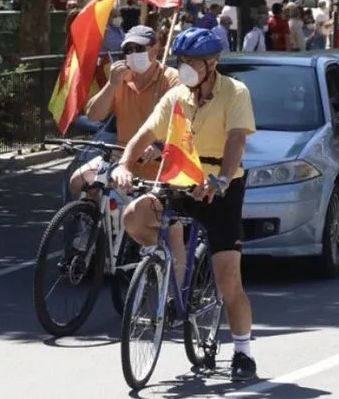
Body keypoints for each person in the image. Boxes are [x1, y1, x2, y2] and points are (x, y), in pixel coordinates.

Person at [112, 27, 258, 382]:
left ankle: (243, 351)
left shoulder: (235, 93)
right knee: (134, 216)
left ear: (212, 63)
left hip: (220, 188)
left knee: (228, 280)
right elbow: (143, 136)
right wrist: (123, 166)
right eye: (182, 61)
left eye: (193, 61)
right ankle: (164, 266)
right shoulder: (176, 96)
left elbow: (236, 141)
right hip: (179, 183)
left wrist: (221, 179)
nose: (186, 67)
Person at [68, 26, 179, 199]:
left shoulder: (172, 79)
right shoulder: (120, 78)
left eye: (139, 48)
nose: (133, 53)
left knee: (137, 213)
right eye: (128, 49)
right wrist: (112, 84)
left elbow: (184, 122)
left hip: (159, 162)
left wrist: (160, 147)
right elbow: (93, 115)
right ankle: (92, 222)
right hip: (121, 156)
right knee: (78, 180)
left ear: (155, 48)